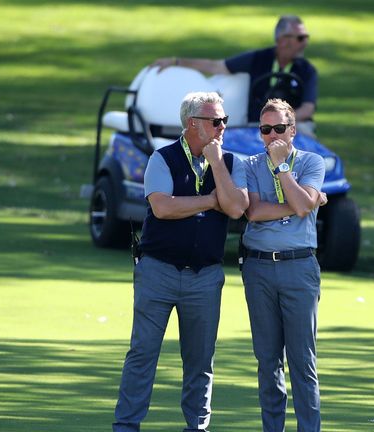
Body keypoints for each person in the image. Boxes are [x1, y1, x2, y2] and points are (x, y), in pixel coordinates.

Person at [113, 91, 249, 432]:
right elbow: (163, 207)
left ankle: (197, 427)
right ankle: (126, 426)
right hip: (157, 270)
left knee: (200, 361)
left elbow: (235, 208)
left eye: (224, 121)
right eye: (215, 121)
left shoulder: (232, 163)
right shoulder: (162, 158)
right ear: (193, 124)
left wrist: (217, 163)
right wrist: (208, 200)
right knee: (143, 354)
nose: (222, 127)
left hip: (205, 276)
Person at [241, 98, 325, 432]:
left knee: (302, 362)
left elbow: (304, 205)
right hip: (258, 267)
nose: (271, 135)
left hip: (299, 266)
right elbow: (254, 212)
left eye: (278, 128)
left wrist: (282, 169)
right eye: (265, 129)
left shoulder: (311, 161)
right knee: (267, 360)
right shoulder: (248, 164)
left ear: (293, 130)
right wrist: (302, 201)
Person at [152, 15, 318, 134]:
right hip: (257, 125)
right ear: (283, 40)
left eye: (305, 38)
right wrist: (176, 62)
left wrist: (279, 121)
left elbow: (307, 110)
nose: (305, 43)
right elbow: (216, 66)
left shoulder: (307, 70)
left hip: (293, 125)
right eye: (300, 38)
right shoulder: (258, 58)